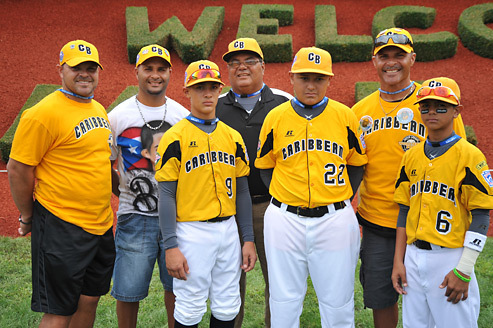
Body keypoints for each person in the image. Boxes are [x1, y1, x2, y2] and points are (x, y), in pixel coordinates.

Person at [351, 28, 466, 328]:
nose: (391, 62)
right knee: (382, 299)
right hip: (377, 224)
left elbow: (460, 164)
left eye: (399, 56)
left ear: (412, 58)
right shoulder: (359, 112)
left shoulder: (435, 104)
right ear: (373, 61)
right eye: (383, 56)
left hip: (426, 224)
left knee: (435, 306)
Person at [255, 47, 367, 327]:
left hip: (335, 220)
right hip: (284, 220)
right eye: (305, 77)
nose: (311, 85)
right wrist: (284, 195)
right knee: (283, 302)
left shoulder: (345, 116)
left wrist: (339, 198)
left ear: (329, 80)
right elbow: (265, 167)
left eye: (319, 78)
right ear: (291, 78)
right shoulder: (276, 118)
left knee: (338, 302)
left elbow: (357, 164)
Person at [7, 40, 115, 328]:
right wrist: (28, 215)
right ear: (61, 70)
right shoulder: (43, 113)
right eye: (76, 67)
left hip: (100, 224)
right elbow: (17, 169)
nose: (84, 74)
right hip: (61, 224)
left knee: (89, 299)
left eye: (91, 68)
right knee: (59, 310)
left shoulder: (98, 110)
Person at [155, 60, 257, 328]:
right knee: (189, 307)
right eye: (200, 87)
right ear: (187, 91)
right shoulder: (174, 137)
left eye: (213, 87)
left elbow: (242, 192)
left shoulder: (232, 137)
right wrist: (171, 246)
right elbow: (166, 195)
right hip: (191, 232)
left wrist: (247, 239)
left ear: (220, 89)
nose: (208, 93)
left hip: (228, 231)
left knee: (227, 305)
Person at [391, 77, 493, 327]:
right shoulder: (411, 156)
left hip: (450, 258)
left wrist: (465, 269)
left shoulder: (469, 155)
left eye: (441, 107)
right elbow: (405, 210)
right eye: (425, 107)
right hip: (413, 258)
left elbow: (481, 215)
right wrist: (398, 261)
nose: (431, 113)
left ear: (456, 111)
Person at [108, 44, 189, 328]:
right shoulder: (118, 116)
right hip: (134, 216)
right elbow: (109, 165)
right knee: (128, 291)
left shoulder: (181, 115)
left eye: (161, 69)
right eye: (148, 69)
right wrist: (127, 194)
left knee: (177, 287)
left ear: (170, 73)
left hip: (177, 218)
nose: (155, 75)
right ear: (137, 72)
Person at [216, 37, 291, 328]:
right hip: (229, 208)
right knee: (229, 286)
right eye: (234, 63)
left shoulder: (284, 104)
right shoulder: (215, 107)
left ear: (263, 66)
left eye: (249, 61)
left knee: (280, 285)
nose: (241, 67)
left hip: (274, 207)